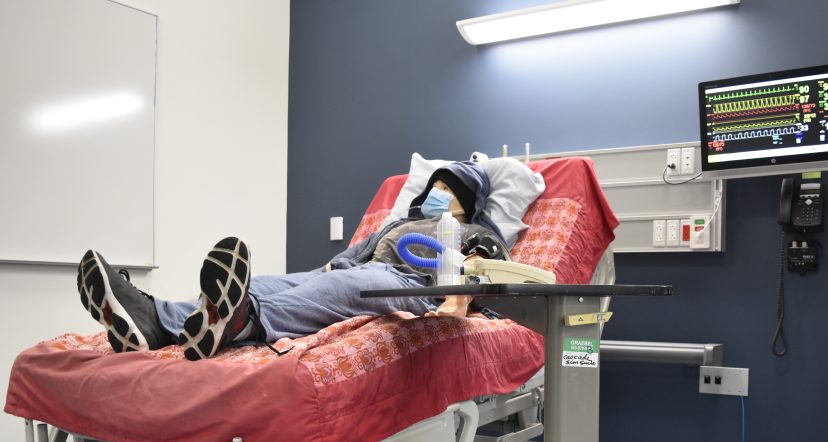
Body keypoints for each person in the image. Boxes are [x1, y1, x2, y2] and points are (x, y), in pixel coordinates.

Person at [76, 160, 509, 361]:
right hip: (358, 271)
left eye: (449, 190)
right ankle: (155, 319)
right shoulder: (396, 225)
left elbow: (483, 274)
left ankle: (244, 321)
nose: (438, 194)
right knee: (264, 283)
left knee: (341, 287)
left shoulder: (478, 232)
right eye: (435, 186)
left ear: (467, 201)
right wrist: (315, 274)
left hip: (411, 286)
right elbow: (350, 258)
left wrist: (456, 303)